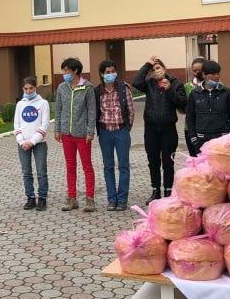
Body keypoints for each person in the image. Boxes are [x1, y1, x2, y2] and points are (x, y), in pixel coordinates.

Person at [133, 56, 187, 203]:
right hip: (151, 129)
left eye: (158, 68)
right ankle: (155, 191)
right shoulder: (149, 83)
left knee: (168, 162)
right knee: (153, 161)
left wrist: (169, 89)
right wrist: (146, 65)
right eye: (153, 69)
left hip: (168, 128)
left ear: (164, 68)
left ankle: (168, 191)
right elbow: (136, 82)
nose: (156, 71)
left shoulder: (175, 83)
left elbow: (182, 103)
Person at [54, 57, 97, 212]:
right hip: (66, 134)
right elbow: (58, 110)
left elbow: (92, 111)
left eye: (67, 70)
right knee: (70, 167)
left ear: (76, 71)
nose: (64, 73)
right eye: (63, 71)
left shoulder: (87, 88)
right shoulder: (61, 88)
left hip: (82, 134)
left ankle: (90, 199)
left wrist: (90, 131)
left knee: (87, 167)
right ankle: (71, 198)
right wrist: (57, 129)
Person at [94, 60, 134, 212]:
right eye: (107, 72)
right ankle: (112, 199)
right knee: (108, 167)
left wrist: (126, 128)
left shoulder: (123, 88)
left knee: (123, 166)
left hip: (121, 131)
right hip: (105, 133)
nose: (110, 74)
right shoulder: (98, 91)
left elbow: (131, 111)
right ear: (102, 74)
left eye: (112, 71)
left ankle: (122, 199)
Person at [186, 60, 230, 156]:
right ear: (204, 75)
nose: (217, 76)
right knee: (203, 169)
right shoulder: (194, 94)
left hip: (222, 138)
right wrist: (193, 136)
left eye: (218, 73)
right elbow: (190, 117)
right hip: (201, 138)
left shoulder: (226, 92)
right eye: (213, 74)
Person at [14, 76, 50, 211]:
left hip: (39, 143)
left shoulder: (43, 103)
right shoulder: (20, 104)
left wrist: (32, 141)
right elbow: (16, 125)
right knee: (26, 172)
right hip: (23, 144)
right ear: (23, 89)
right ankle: (30, 198)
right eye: (26, 88)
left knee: (41, 172)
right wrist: (22, 141)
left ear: (36, 88)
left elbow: (45, 125)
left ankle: (42, 199)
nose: (28, 91)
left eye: (31, 88)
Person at [184, 57, 206, 154]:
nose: (197, 72)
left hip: (209, 128)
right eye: (194, 70)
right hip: (190, 128)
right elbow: (182, 108)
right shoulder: (187, 86)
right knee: (194, 158)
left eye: (199, 70)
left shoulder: (215, 85)